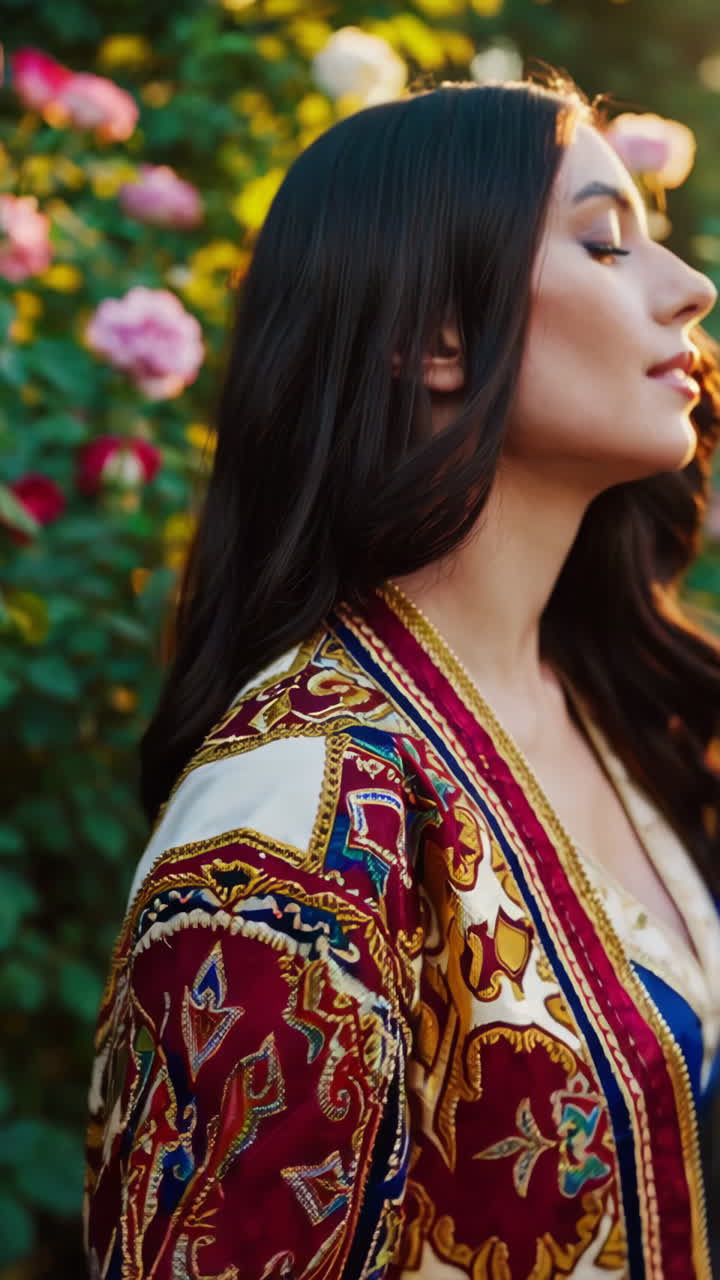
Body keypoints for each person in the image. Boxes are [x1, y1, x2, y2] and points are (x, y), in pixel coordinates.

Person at [82, 71, 720, 1279]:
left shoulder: (606, 703)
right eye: (602, 241)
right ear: (434, 335)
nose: (691, 289)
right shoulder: (294, 813)